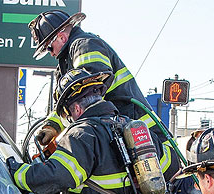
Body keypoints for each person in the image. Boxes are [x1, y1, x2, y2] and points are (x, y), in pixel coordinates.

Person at [7, 69, 182, 194]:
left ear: (76, 109)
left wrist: (17, 172)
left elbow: (57, 176)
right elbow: (171, 166)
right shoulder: (136, 129)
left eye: (68, 115)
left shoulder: (82, 134)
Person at [28, 10, 174, 162]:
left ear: (62, 37)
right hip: (128, 136)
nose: (51, 54)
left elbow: (86, 97)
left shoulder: (85, 46)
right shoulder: (67, 61)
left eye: (49, 48)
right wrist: (52, 126)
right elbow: (69, 103)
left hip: (145, 138)